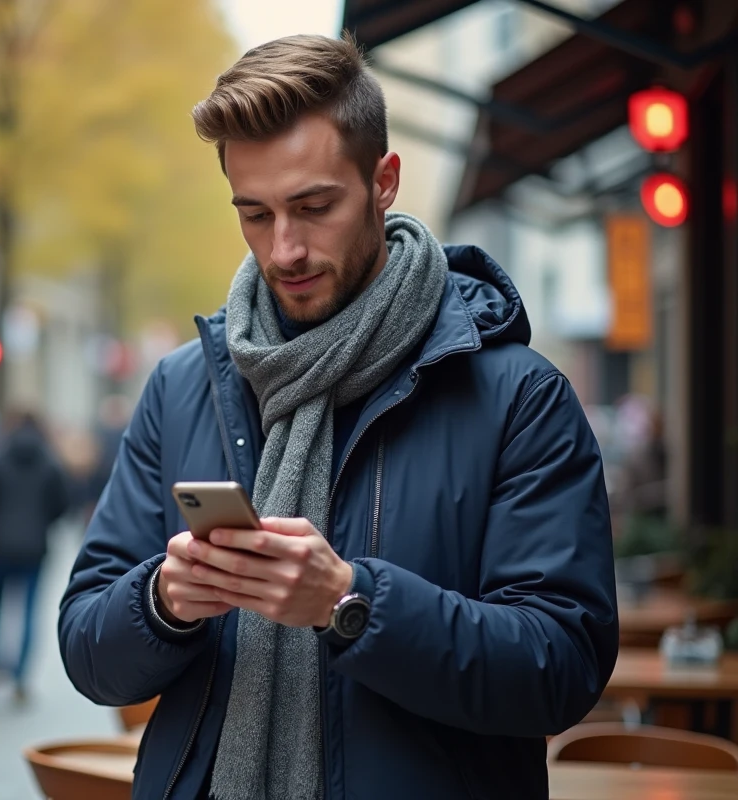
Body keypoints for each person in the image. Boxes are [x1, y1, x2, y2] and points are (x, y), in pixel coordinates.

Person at [58, 34, 619, 800]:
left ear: (384, 181)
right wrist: (163, 600)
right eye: (253, 214)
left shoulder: (519, 397)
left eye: (314, 207)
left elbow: (563, 668)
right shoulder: (182, 386)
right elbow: (87, 652)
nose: (283, 248)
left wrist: (351, 603)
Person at [0, 413, 70, 706]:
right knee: (28, 610)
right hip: (34, 547)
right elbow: (61, 505)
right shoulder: (50, 463)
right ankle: (21, 677)